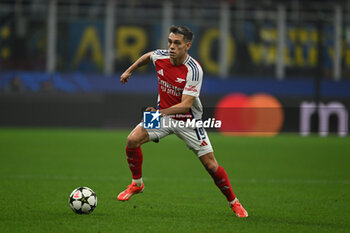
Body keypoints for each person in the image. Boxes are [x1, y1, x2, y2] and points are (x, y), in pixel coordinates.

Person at [117, 25, 248, 218]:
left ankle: (234, 202)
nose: (171, 47)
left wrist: (160, 113)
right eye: (170, 42)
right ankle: (137, 184)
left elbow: (185, 105)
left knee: (211, 165)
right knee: (131, 140)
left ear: (187, 46)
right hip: (163, 115)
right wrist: (129, 71)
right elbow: (148, 56)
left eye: (176, 43)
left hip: (187, 121)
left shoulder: (194, 70)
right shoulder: (162, 56)